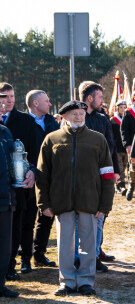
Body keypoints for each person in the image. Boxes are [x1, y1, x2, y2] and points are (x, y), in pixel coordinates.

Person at [36, 100, 115, 297]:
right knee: (65, 244)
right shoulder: (51, 139)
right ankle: (67, 281)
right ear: (64, 117)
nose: (78, 117)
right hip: (61, 202)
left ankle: (87, 281)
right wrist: (43, 203)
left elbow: (107, 174)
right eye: (74, 114)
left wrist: (105, 205)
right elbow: (42, 174)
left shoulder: (98, 139)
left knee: (89, 244)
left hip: (90, 201)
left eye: (81, 113)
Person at [78, 81, 119, 272]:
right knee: (81, 218)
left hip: (101, 174)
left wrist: (115, 171)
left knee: (100, 216)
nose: (103, 101)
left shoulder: (103, 119)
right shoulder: (75, 116)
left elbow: (111, 147)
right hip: (80, 175)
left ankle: (95, 254)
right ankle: (80, 257)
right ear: (89, 98)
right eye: (100, 97)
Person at [0, 83, 38, 280]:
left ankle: (11, 266)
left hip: (20, 187)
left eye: (12, 96)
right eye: (4, 96)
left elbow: (35, 152)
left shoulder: (26, 121)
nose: (10, 100)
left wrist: (33, 171)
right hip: (2, 185)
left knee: (16, 227)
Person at [26, 90, 60, 270]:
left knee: (47, 215)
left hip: (50, 175)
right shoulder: (24, 122)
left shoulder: (51, 122)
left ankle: (39, 254)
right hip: (30, 175)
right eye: (46, 101)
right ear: (35, 104)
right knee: (29, 216)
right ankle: (25, 255)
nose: (49, 103)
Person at [111, 100, 129, 196]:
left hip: (126, 148)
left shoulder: (128, 119)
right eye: (121, 107)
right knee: (119, 167)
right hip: (117, 148)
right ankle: (121, 186)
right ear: (117, 108)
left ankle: (119, 185)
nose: (123, 109)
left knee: (124, 167)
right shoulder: (113, 120)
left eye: (124, 107)